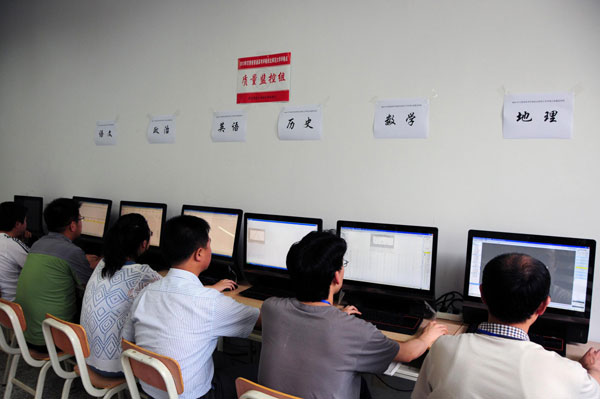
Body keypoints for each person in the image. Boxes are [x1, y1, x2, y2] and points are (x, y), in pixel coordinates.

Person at [258, 231, 448, 399]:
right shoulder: (354, 330)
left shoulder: (270, 308)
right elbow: (407, 354)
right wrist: (427, 337)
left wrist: (334, 314)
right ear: (337, 277)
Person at [412, 253, 600, 398]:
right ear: (543, 306)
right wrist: (593, 369)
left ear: (482, 295)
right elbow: (594, 390)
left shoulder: (442, 348)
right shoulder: (567, 373)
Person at [122, 215, 260, 399]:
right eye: (209, 245)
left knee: (219, 357)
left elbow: (127, 340)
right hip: (194, 396)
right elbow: (263, 321)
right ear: (200, 253)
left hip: (150, 389)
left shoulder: (146, 292)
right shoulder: (209, 302)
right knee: (259, 372)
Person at [80, 213, 161, 377]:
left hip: (87, 358)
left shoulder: (101, 264)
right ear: (144, 243)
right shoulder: (142, 272)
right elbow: (173, 288)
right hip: (117, 367)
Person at [15, 198, 96, 351]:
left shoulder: (38, 244)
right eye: (80, 219)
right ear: (72, 225)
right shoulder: (73, 252)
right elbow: (89, 290)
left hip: (26, 334)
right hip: (52, 340)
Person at [0, 202, 30, 301]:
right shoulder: (12, 244)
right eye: (25, 220)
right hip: (11, 306)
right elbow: (34, 266)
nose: (26, 224)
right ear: (17, 224)